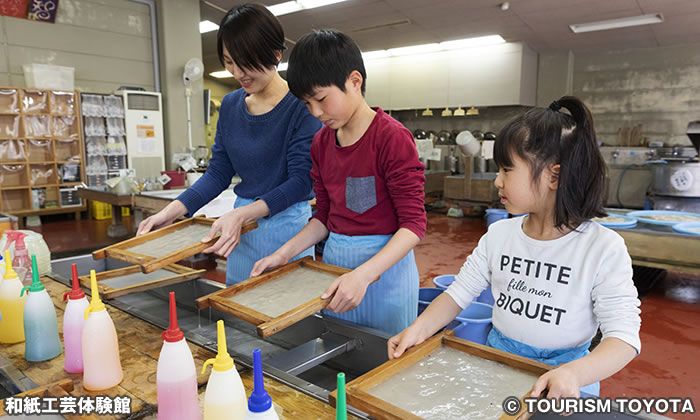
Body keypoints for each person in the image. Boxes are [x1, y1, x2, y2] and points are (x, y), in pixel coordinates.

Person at [389, 97, 641, 400]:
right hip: (499, 369)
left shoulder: (602, 248)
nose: (497, 181)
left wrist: (573, 373)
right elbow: (457, 294)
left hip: (565, 384)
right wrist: (419, 329)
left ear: (554, 176)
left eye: (506, 170)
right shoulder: (499, 235)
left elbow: (623, 338)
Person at [250, 29, 427, 336]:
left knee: (380, 363)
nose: (316, 112)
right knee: (340, 361)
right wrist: (284, 252)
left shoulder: (391, 138)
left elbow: (413, 226)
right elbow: (325, 217)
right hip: (335, 269)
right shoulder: (321, 144)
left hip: (385, 276)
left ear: (354, 82)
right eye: (307, 104)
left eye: (321, 99)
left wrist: (364, 275)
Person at [136, 4, 322, 285]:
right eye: (229, 61)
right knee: (239, 318)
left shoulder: (301, 105)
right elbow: (218, 173)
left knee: (284, 319)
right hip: (242, 231)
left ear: (276, 54)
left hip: (287, 232)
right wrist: (171, 212)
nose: (238, 73)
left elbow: (300, 183)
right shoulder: (232, 105)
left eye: (247, 62)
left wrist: (242, 213)